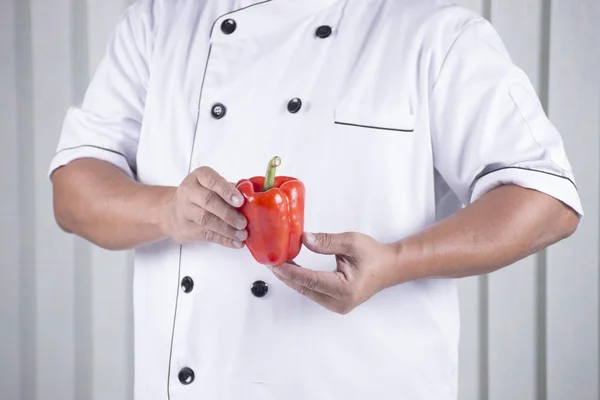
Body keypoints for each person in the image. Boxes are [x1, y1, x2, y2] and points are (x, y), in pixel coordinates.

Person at [49, 0, 583, 399]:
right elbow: (73, 192)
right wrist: (165, 209)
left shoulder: (434, 32)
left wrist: (398, 263)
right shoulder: (160, 22)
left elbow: (546, 198)